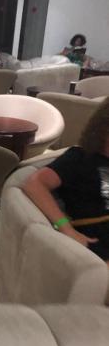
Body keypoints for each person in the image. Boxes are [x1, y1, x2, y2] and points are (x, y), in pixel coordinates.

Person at [23, 99, 109, 265]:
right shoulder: (80, 157)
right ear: (103, 127)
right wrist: (66, 228)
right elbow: (34, 184)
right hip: (97, 239)